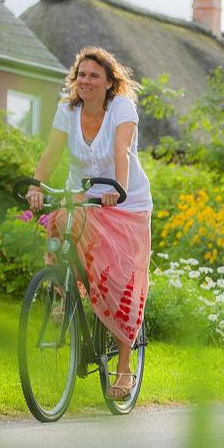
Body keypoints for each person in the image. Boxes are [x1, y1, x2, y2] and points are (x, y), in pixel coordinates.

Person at [26, 46, 153, 400]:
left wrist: (119, 188)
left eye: (94, 75)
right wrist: (36, 183)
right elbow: (51, 152)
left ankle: (124, 369)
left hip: (125, 202)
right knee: (60, 220)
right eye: (81, 74)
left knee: (119, 281)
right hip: (83, 197)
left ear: (110, 82)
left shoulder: (122, 109)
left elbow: (122, 152)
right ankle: (62, 294)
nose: (86, 81)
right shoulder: (67, 110)